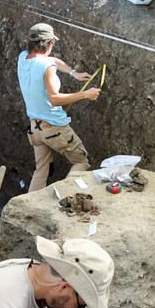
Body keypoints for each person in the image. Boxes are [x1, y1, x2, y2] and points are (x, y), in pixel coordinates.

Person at [17, 23, 102, 192]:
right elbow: (54, 99)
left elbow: (52, 60)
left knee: (41, 170)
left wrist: (73, 73)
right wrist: (85, 94)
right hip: (54, 127)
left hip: (35, 129)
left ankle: (31, 208)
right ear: (49, 43)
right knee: (82, 162)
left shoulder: (23, 57)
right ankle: (63, 199)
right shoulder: (46, 67)